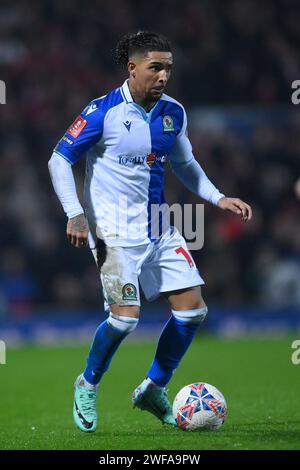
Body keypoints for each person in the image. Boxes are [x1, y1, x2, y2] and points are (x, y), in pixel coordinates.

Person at [48, 31, 252, 433]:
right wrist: (74, 213)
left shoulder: (173, 112)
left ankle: (153, 388)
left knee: (193, 311)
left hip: (159, 228)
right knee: (125, 320)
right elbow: (59, 159)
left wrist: (218, 197)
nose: (163, 76)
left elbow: (187, 163)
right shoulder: (102, 112)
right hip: (113, 233)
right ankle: (87, 383)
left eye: (168, 69)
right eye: (155, 68)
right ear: (133, 68)